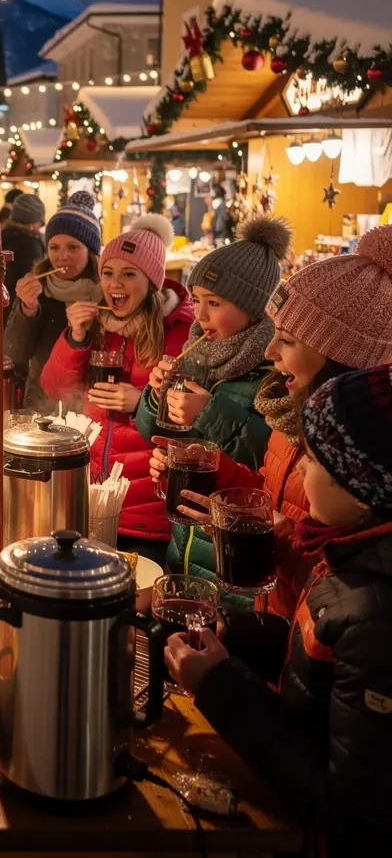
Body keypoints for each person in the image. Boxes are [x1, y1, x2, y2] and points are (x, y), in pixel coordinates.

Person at [165, 364, 392, 857]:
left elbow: (347, 806)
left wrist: (219, 684)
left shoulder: (377, 611)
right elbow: (318, 661)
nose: (302, 469)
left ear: (361, 487)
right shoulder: (350, 556)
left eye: (314, 458)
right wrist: (235, 632)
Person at [164, 224, 392, 617]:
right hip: (273, 624)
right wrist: (220, 479)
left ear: (341, 355)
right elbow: (273, 494)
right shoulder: (288, 409)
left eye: (286, 339)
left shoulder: (364, 454)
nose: (270, 352)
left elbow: (346, 587)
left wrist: (287, 540)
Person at [138, 216, 291, 604]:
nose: (200, 315)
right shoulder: (196, 357)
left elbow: (269, 458)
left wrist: (208, 412)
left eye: (215, 303)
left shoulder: (274, 371)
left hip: (235, 560)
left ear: (254, 309)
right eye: (197, 299)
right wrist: (155, 396)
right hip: (184, 543)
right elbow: (152, 432)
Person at [40, 214, 194, 563]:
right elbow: (57, 391)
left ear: (152, 280)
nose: (114, 284)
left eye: (129, 274)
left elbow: (194, 421)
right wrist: (75, 338)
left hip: (148, 508)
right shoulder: (96, 325)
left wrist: (143, 402)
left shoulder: (181, 334)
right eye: (108, 273)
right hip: (93, 496)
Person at [5, 191, 102, 413]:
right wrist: (28, 309)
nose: (62, 256)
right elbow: (15, 353)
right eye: (54, 247)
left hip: (91, 406)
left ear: (91, 251)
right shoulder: (38, 289)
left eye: (73, 247)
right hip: (42, 404)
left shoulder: (106, 293)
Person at [1, 192, 47, 308]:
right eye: (40, 223)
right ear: (33, 222)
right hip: (19, 309)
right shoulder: (31, 245)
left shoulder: (3, 236)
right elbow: (33, 283)